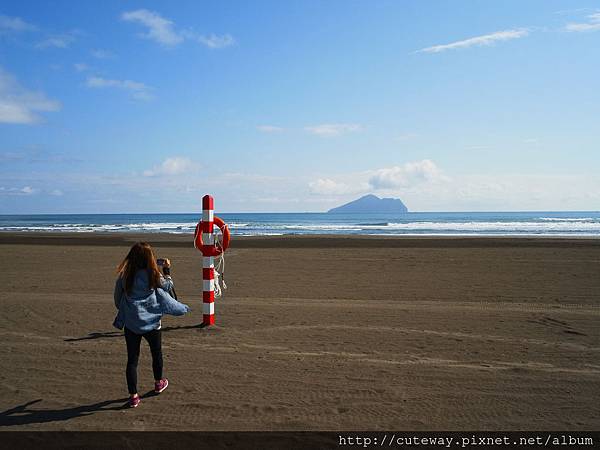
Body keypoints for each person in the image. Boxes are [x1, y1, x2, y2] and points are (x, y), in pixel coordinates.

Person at [113, 242, 190, 408]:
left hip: (132, 324)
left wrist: (129, 310)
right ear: (150, 258)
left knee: (132, 359)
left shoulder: (124, 275)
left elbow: (117, 299)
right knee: (157, 354)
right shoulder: (153, 274)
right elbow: (168, 286)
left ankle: (133, 396)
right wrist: (167, 270)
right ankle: (158, 383)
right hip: (153, 323)